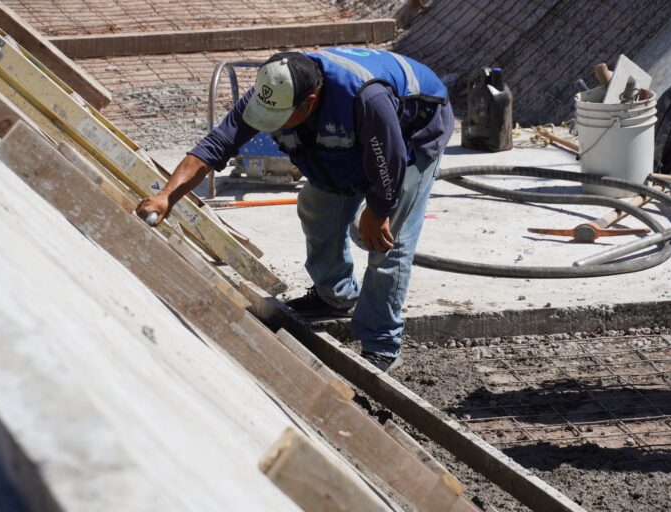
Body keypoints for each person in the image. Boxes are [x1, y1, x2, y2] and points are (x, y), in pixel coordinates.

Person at [136, 47, 454, 372]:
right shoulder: (273, 90)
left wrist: (379, 209)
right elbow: (214, 147)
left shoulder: (365, 96)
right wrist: (167, 196)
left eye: (278, 120)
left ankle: (382, 344)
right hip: (354, 138)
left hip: (412, 134)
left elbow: (389, 159)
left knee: (388, 243)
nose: (269, 125)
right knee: (316, 206)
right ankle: (336, 296)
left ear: (310, 102)